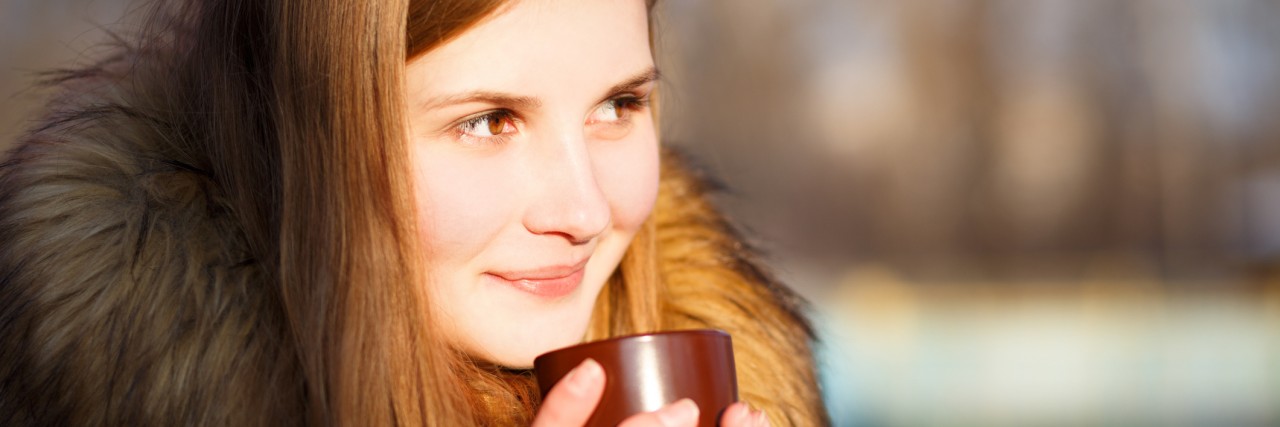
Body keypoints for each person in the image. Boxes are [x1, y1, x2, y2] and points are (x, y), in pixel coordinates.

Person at [0, 0, 827, 425]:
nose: (585, 208)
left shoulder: (730, 373)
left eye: (619, 105)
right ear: (307, 141)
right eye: (488, 121)